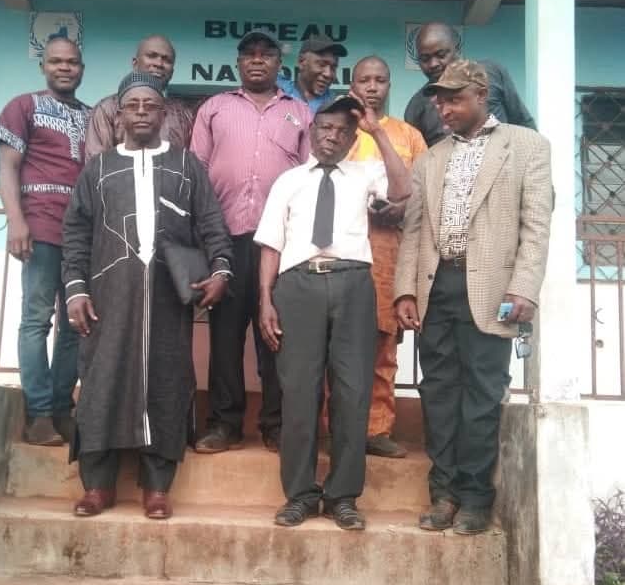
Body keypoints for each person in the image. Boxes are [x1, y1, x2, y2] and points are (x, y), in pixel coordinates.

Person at [63, 72, 233, 520]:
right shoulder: (97, 169)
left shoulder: (185, 165)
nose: (141, 112)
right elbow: (76, 233)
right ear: (118, 114)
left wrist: (220, 269)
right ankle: (97, 485)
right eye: (132, 105)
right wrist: (76, 289)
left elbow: (212, 222)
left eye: (150, 106)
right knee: (102, 380)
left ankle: (157, 486)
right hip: (107, 296)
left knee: (166, 378)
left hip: (166, 299)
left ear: (164, 114)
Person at [394, 60, 552, 535]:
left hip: (494, 291)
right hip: (436, 288)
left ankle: (476, 498)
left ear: (482, 95)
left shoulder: (527, 147)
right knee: (438, 393)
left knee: (482, 396)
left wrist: (524, 287)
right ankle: (442, 494)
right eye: (439, 100)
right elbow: (415, 228)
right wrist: (405, 289)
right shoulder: (431, 157)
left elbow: (537, 224)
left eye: (454, 99)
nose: (443, 108)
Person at [256, 95, 412, 530]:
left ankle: (343, 496)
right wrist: (266, 300)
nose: (332, 136)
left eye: (342, 131)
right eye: (325, 129)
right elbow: (271, 244)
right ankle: (300, 494)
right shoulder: (287, 181)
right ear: (311, 132)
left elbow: (403, 191)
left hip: (352, 285)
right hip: (298, 286)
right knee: (300, 392)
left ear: (351, 138)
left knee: (352, 390)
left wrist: (377, 131)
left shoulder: (366, 175)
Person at [191, 28, 313, 454]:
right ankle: (224, 423)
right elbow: (196, 173)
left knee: (276, 333)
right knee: (225, 333)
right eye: (249, 55)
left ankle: (276, 423)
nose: (257, 60)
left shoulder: (300, 113)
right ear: (239, 63)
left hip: (280, 241)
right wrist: (202, 237)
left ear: (281, 65)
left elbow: (313, 177)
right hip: (224, 236)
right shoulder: (214, 108)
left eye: (267, 54)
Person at [0, 35, 90, 446]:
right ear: (43, 67)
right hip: (39, 225)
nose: (64, 68)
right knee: (36, 320)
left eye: (71, 62)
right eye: (56, 61)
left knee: (76, 325)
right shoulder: (23, 107)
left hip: (81, 233)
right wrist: (16, 220)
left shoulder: (91, 115)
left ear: (81, 68)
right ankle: (38, 415)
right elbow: (7, 166)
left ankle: (62, 409)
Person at [348, 56, 427, 459]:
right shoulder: (338, 129)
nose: (373, 87)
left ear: (390, 84)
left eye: (380, 80)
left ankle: (377, 430)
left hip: (387, 253)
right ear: (352, 84)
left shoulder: (408, 136)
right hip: (343, 250)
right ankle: (336, 427)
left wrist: (401, 208)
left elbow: (422, 194)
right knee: (338, 344)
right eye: (365, 80)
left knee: (383, 346)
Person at [404, 22, 536, 147]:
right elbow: (418, 156)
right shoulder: (416, 107)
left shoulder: (491, 73)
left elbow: (523, 123)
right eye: (425, 59)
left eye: (441, 55)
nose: (434, 64)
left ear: (457, 49)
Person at [85, 35, 193, 159]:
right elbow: (96, 166)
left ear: (172, 72)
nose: (159, 63)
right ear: (135, 64)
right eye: (152, 56)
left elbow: (189, 166)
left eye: (166, 60)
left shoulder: (183, 115)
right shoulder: (107, 109)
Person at [277, 35, 347, 112]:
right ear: (301, 61)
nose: (328, 74)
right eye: (322, 65)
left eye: (333, 68)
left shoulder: (335, 105)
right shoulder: (277, 88)